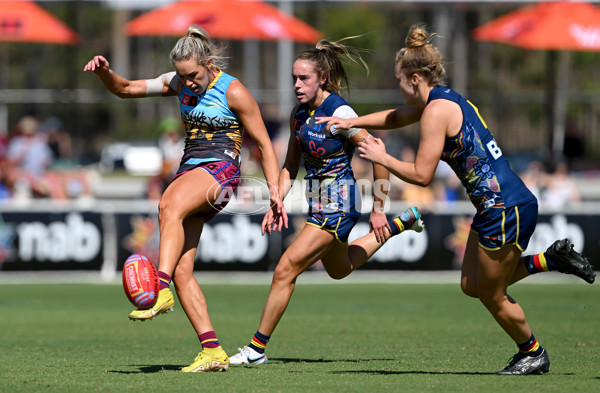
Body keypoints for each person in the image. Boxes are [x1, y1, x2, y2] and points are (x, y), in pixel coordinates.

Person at [319, 24, 595, 375]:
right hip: (498, 205)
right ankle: (550, 260)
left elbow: (421, 175)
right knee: (472, 285)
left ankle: (533, 352)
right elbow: (397, 116)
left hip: (505, 206)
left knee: (491, 294)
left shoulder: (435, 112)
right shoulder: (442, 98)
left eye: (399, 80)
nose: (397, 86)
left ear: (415, 78)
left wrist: (381, 157)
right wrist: (350, 122)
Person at [83, 25, 287, 373]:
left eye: (193, 74)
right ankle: (212, 350)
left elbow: (265, 144)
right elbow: (126, 88)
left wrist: (275, 192)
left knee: (167, 205)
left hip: (222, 169)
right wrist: (105, 72)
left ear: (208, 63)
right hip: (192, 171)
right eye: (182, 76)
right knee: (183, 270)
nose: (187, 82)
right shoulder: (178, 82)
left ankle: (159, 288)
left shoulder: (233, 90)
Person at [229, 38, 425, 366]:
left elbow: (378, 153)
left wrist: (378, 207)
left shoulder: (340, 112)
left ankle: (256, 349)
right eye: (293, 78)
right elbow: (291, 163)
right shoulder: (298, 115)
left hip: (341, 204)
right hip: (317, 204)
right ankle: (401, 224)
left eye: (303, 78)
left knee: (285, 269)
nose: (296, 85)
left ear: (321, 79)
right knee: (339, 268)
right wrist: (277, 197)